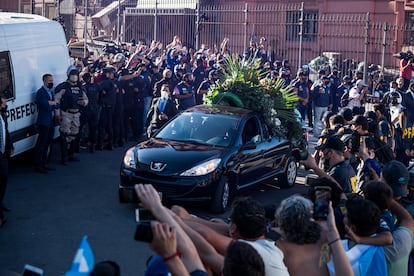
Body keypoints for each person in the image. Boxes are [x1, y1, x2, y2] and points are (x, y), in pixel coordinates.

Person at [55, 66, 88, 164]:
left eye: (75, 75)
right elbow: (56, 101)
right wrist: (57, 114)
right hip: (66, 113)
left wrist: (84, 102)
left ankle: (71, 155)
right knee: (64, 134)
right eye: (72, 75)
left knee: (74, 134)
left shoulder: (80, 87)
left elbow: (86, 99)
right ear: (68, 75)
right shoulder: (64, 87)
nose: (74, 77)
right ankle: (64, 157)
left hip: (76, 114)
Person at [34, 74, 59, 173]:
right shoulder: (41, 92)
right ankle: (38, 165)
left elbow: (56, 104)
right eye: (50, 81)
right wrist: (52, 103)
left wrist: (52, 103)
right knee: (41, 144)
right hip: (44, 122)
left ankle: (45, 163)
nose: (51, 82)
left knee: (48, 143)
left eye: (52, 80)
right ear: (44, 81)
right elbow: (44, 105)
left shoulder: (51, 92)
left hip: (51, 121)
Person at [0, 94, 13, 227]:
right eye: (4, 103)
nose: (6, 105)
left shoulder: (3, 116)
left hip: (3, 153)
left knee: (4, 178)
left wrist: (10, 145)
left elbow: (6, 131)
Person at [80, 72, 100, 153]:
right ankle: (92, 146)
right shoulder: (96, 86)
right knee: (93, 129)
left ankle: (77, 145)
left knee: (80, 127)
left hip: (86, 109)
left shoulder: (83, 87)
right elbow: (98, 96)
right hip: (94, 109)